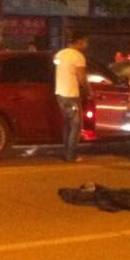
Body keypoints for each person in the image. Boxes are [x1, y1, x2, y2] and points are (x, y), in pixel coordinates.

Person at [54, 33, 91, 163]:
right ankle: (71, 155)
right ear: (79, 41)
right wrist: (89, 90)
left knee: (67, 124)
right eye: (85, 42)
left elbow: (55, 62)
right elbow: (81, 77)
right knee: (76, 125)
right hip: (71, 95)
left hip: (60, 94)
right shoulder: (78, 56)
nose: (86, 45)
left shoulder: (60, 54)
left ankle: (66, 152)